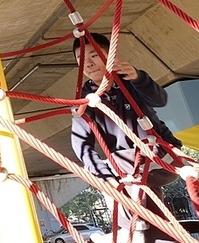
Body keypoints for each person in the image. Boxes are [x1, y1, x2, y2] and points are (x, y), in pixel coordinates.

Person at [71, 32, 183, 243]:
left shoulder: (130, 82)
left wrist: (139, 78)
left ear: (109, 55)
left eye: (94, 55)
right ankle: (151, 233)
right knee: (120, 186)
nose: (87, 63)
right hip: (131, 170)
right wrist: (104, 177)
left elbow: (161, 100)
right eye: (80, 59)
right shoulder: (84, 102)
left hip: (162, 156)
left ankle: (134, 231)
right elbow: (82, 145)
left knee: (124, 172)